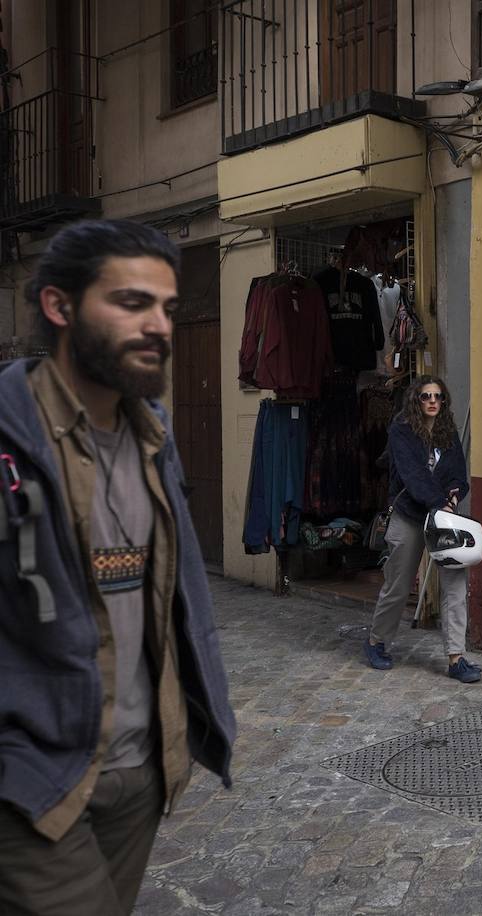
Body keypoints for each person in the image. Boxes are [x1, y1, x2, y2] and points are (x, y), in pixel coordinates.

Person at [0, 219, 236, 915]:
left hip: (142, 775)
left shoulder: (154, 437)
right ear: (59, 306)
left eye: (166, 307)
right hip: (34, 783)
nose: (160, 326)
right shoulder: (11, 439)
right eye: (132, 304)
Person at [365, 374, 479, 682]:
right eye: (426, 396)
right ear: (415, 399)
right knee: (398, 584)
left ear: (444, 401)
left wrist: (454, 494)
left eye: (437, 397)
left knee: (455, 584)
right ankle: (377, 641)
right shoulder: (401, 432)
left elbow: (458, 474)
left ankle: (457, 657)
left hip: (443, 518)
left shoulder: (447, 431)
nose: (432, 402)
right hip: (409, 515)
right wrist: (440, 500)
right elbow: (413, 476)